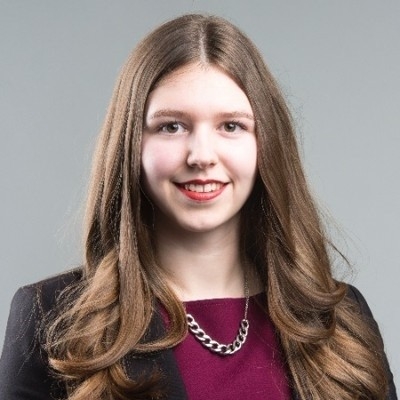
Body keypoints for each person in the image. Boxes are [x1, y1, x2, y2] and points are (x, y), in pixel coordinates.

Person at [0, 13, 397, 400]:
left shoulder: (342, 317)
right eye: (171, 126)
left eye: (231, 126)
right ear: (130, 146)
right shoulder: (50, 318)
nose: (202, 156)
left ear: (267, 145)